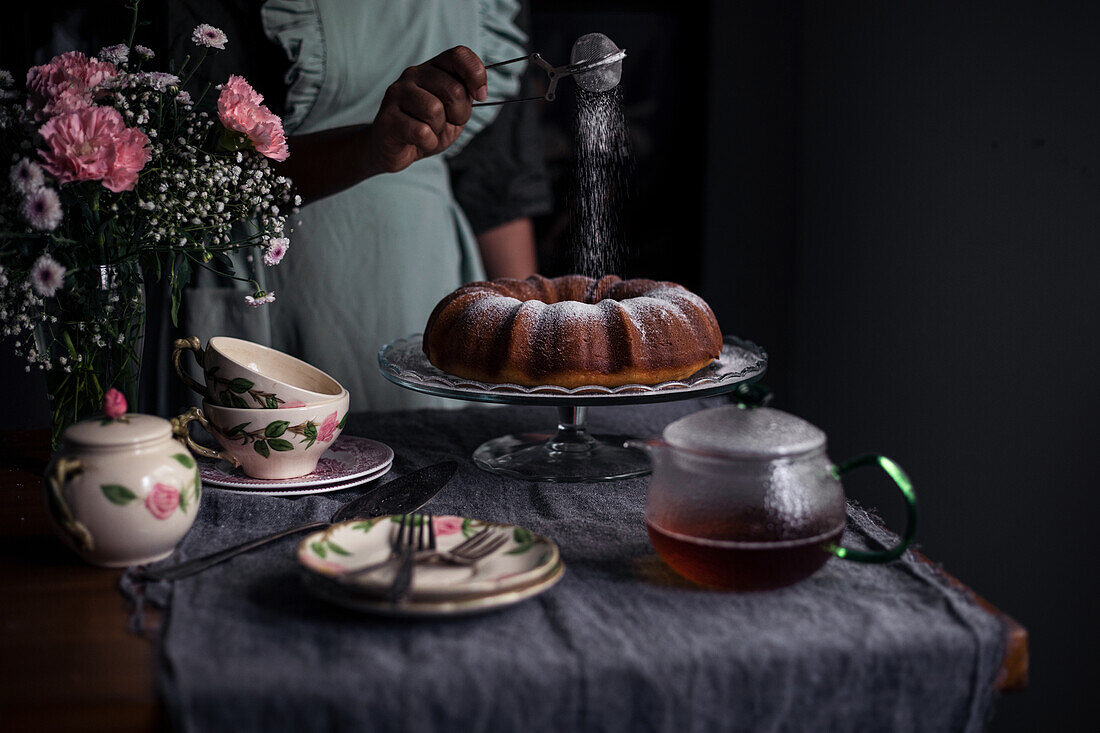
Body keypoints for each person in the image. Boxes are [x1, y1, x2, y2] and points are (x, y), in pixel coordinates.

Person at [162, 0, 550, 412]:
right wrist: (368, 151)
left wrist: (533, 379)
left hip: (424, 283)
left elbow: (497, 191)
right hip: (275, 293)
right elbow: (194, 175)